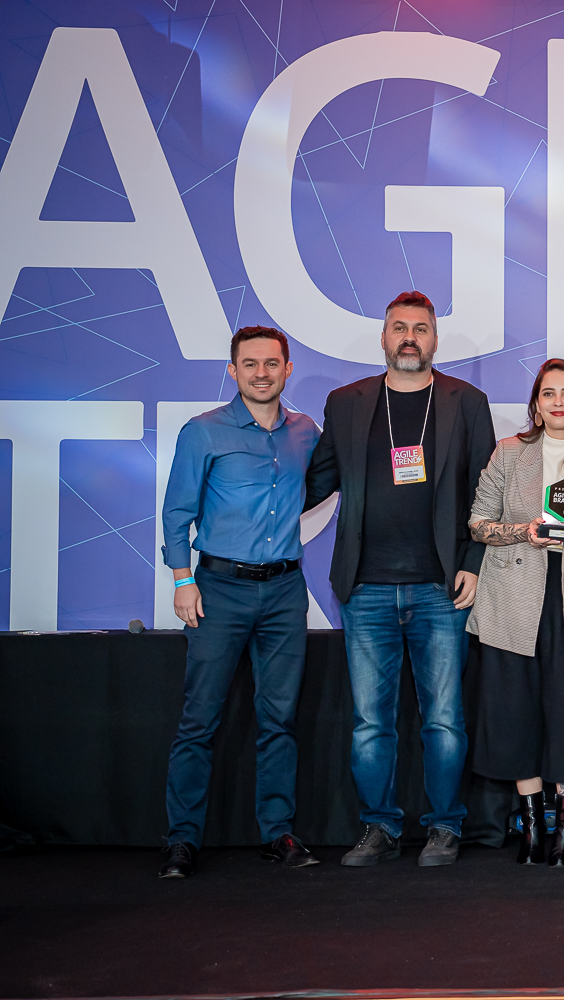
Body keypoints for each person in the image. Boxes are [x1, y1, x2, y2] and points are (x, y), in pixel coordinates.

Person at [304, 291, 496, 868]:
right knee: (370, 723)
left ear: (434, 339)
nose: (409, 337)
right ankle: (380, 826)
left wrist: (474, 563)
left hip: (441, 588)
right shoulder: (347, 402)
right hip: (365, 588)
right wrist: (243, 492)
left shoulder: (467, 402)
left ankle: (445, 827)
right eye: (399, 327)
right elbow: (315, 481)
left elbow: (487, 493)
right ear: (384, 337)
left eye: (420, 328)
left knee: (444, 720)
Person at [158, 326, 321, 878]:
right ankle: (182, 840)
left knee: (279, 720)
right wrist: (182, 580)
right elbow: (177, 512)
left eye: (271, 363)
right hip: (218, 591)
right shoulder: (203, 431)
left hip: (284, 591)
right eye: (249, 364)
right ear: (233, 370)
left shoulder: (306, 432)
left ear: (287, 369)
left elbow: (325, 483)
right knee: (199, 720)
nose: (261, 373)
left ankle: (278, 833)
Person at [467, 359, 564, 867]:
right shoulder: (509, 452)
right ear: (536, 403)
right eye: (548, 393)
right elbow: (478, 523)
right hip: (514, 597)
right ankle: (532, 827)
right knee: (515, 714)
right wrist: (524, 531)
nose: (558, 402)